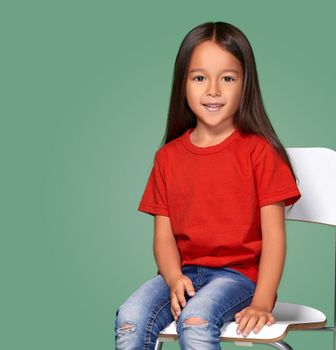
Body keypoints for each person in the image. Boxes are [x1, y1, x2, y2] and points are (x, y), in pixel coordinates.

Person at [114, 21, 301, 350]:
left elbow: (274, 239)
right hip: (183, 275)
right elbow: (163, 236)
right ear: (183, 85)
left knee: (195, 319)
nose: (213, 90)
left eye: (227, 78)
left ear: (246, 85)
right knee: (129, 318)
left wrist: (262, 300)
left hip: (239, 277)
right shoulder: (167, 158)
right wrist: (173, 279)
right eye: (200, 78)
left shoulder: (260, 153)